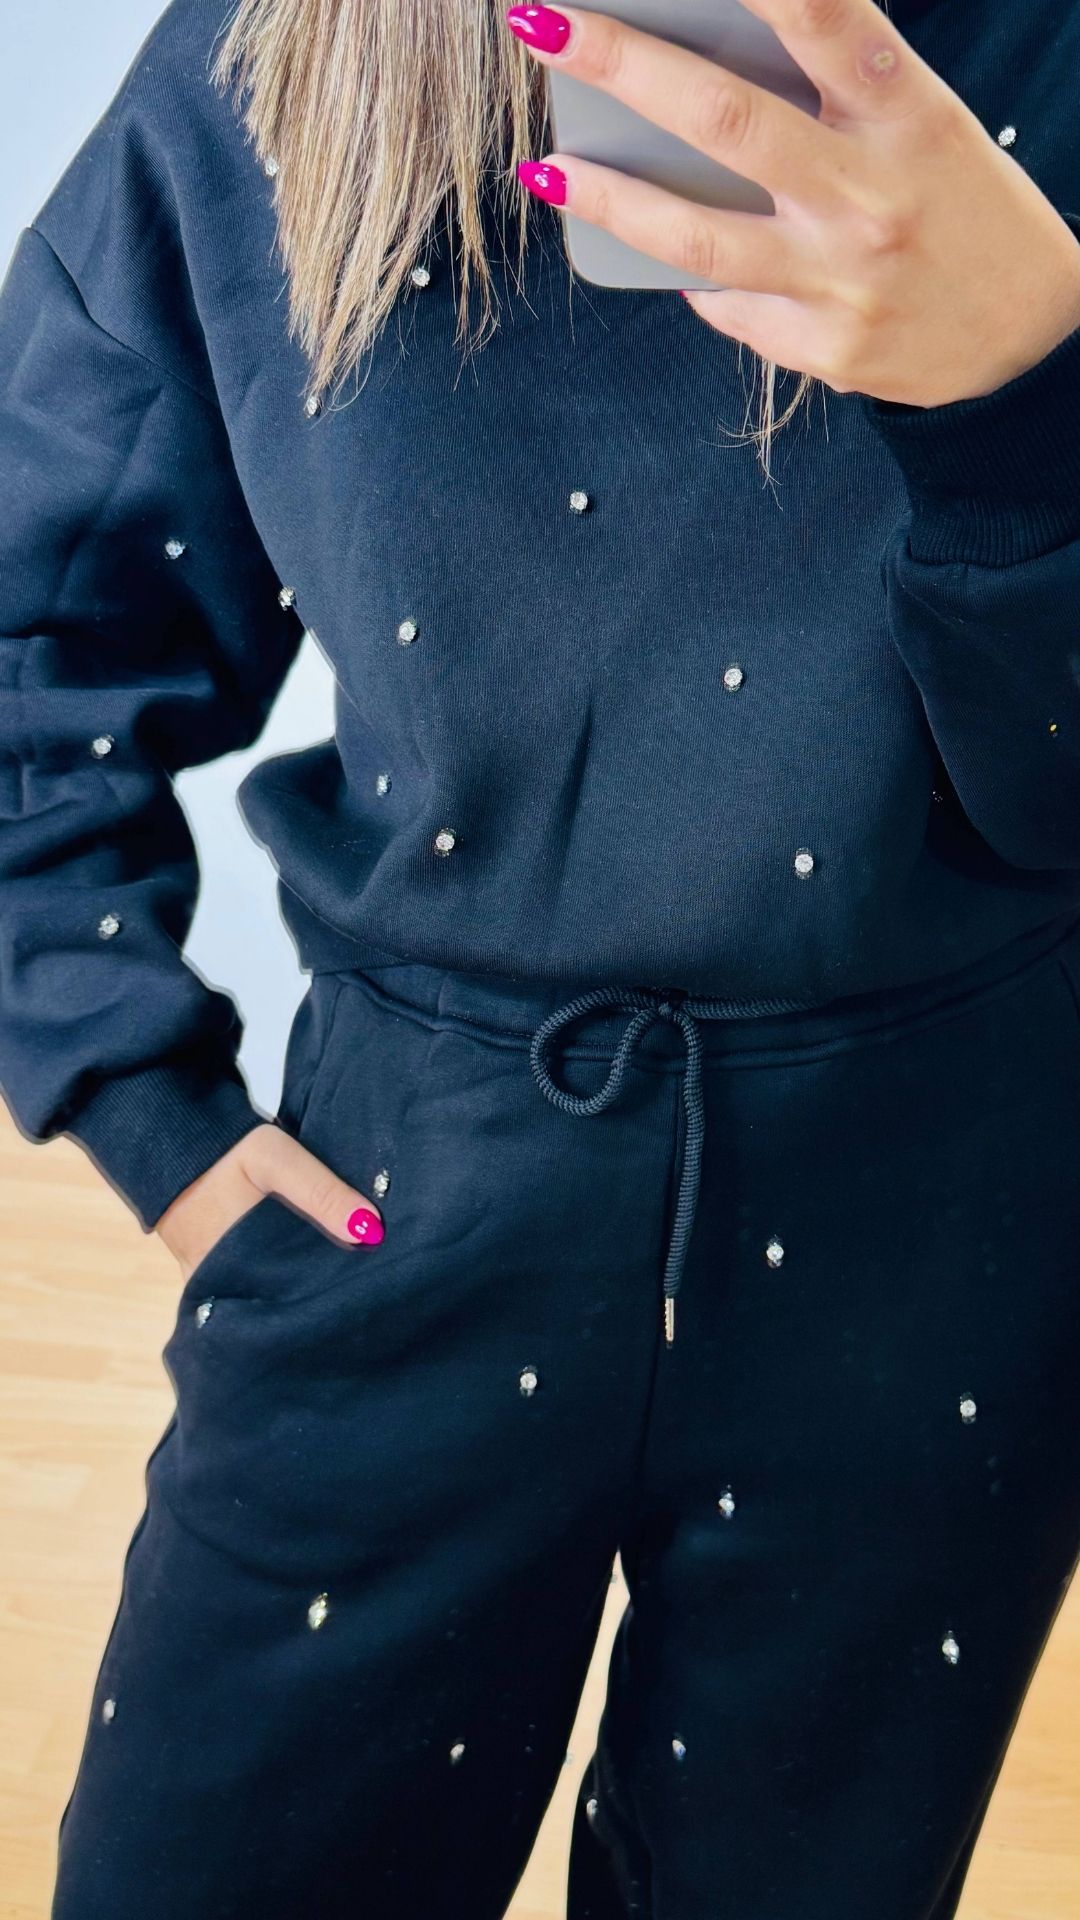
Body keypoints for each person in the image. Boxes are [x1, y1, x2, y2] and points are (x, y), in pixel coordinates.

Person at [2, 0, 1079, 1912]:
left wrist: (1030, 402)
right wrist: (151, 1121)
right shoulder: (266, 60)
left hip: (950, 1242)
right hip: (406, 1201)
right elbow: (31, 648)